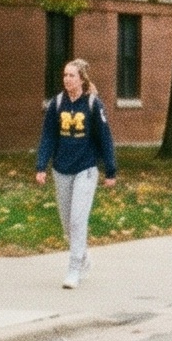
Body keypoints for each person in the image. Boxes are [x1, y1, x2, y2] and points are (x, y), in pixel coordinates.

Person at [34, 58, 117, 289]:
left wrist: (110, 170)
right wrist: (41, 166)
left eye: (71, 75)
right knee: (67, 224)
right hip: (61, 169)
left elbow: (105, 138)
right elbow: (48, 136)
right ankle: (83, 257)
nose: (67, 79)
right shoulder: (57, 103)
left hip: (86, 169)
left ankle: (73, 270)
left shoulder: (92, 104)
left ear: (81, 79)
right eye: (64, 75)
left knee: (78, 221)